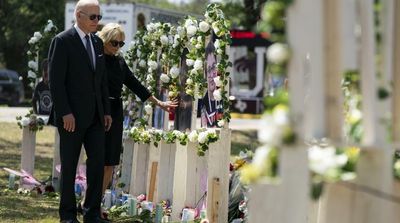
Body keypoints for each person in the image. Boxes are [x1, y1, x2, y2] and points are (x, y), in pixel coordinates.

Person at [96, 23, 178, 218]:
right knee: (96, 160)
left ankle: (95, 203)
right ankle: (90, 203)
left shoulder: (120, 62)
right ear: (105, 40)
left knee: (110, 162)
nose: (117, 47)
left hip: (115, 111)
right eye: (114, 43)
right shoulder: (95, 60)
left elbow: (135, 84)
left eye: (121, 44)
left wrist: (159, 102)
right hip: (96, 111)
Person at [48, 1, 112, 222]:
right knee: (69, 166)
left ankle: (92, 212)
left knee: (96, 165)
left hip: (96, 117)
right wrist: (65, 112)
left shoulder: (96, 42)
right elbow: (56, 82)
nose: (97, 21)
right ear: (79, 16)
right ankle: (67, 215)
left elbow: (101, 80)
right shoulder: (62, 41)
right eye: (93, 17)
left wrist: (106, 111)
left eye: (99, 17)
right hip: (71, 118)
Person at [201, 38, 223, 127]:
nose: (212, 74)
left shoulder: (221, 97)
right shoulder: (204, 102)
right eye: (209, 70)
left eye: (214, 68)